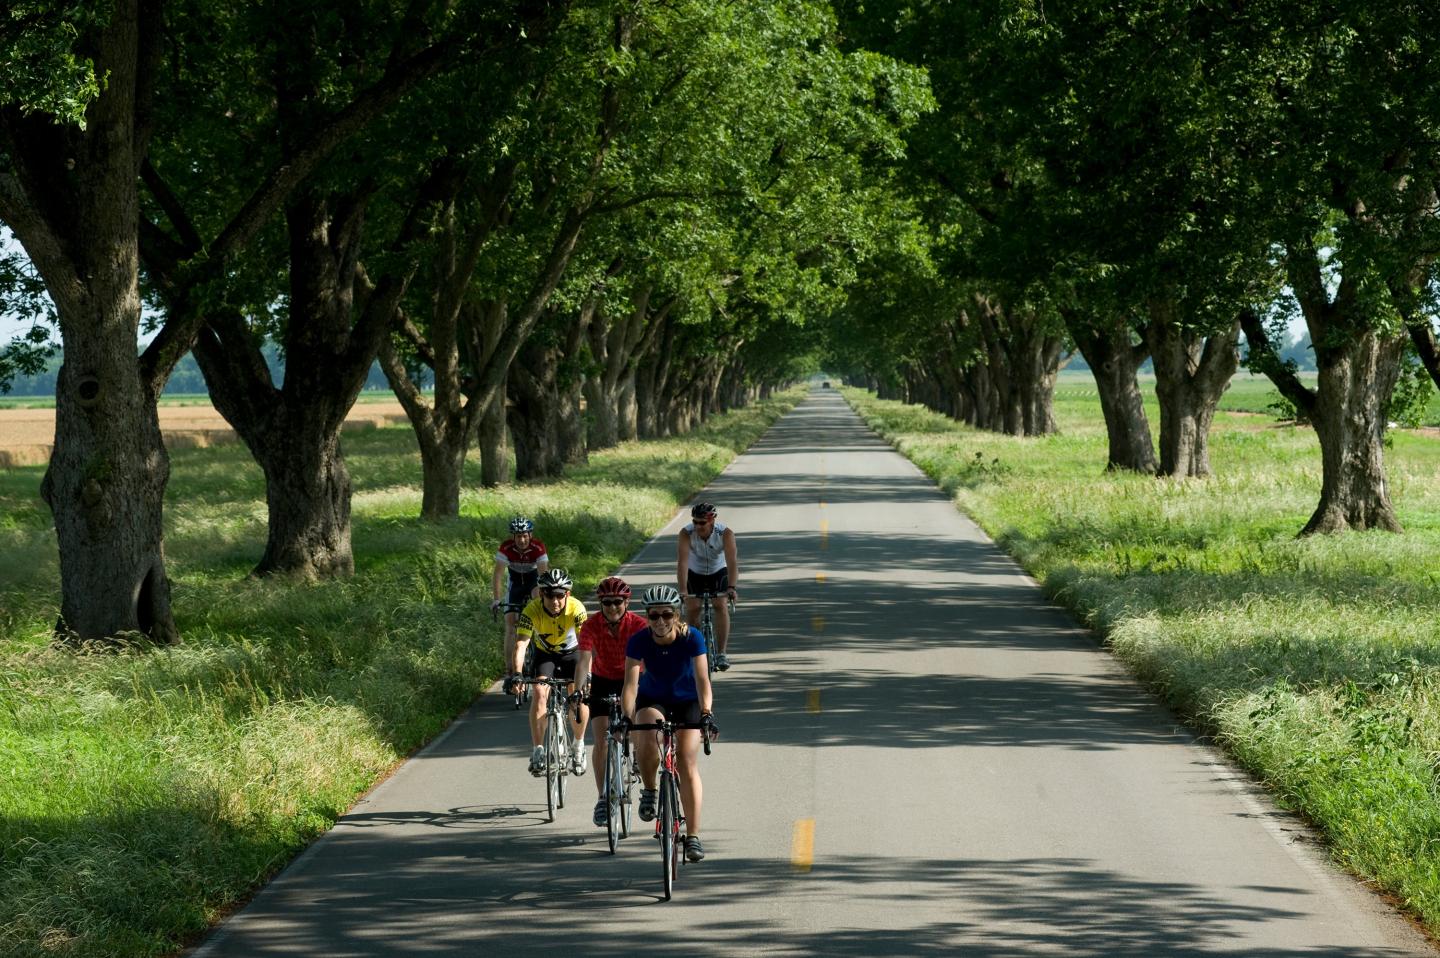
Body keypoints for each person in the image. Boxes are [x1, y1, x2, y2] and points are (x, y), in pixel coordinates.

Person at [618, 585, 716, 862]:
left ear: (676, 614)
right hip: (654, 699)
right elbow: (630, 685)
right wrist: (627, 716)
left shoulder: (692, 638)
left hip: (688, 701)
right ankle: (650, 790)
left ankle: (693, 836)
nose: (660, 621)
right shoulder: (639, 640)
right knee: (646, 729)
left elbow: (702, 679)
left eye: (666, 614)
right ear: (647, 617)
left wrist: (706, 712)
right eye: (653, 615)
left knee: (687, 762)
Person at [574, 575, 649, 827]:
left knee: (633, 728)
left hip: (634, 677)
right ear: (600, 604)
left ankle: (637, 755)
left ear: (626, 602)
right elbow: (584, 659)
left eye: (618, 601)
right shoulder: (591, 625)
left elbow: (647, 661)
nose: (613, 607)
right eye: (607, 603)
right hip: (604, 679)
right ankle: (603, 798)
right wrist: (579, 688)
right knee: (602, 739)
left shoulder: (639, 625)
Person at [516, 568, 589, 776]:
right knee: (539, 692)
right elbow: (521, 644)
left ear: (567, 594)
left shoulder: (577, 608)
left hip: (573, 655)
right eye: (549, 595)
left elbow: (586, 647)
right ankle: (538, 750)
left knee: (578, 696)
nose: (555, 600)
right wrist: (517, 674)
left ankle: (578, 746)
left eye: (560, 595)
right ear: (541, 594)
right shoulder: (531, 610)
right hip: (545, 655)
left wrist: (588, 674)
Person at [676, 501, 738, 671]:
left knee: (720, 605)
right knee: (693, 608)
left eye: (702, 523)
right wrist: (683, 590)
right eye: (695, 522)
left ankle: (721, 653)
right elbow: (682, 563)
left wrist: (732, 587)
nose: (697, 526)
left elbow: (732, 563)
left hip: (718, 571)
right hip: (694, 572)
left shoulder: (725, 534)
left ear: (712, 520)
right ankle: (694, 649)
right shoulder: (686, 533)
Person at [492, 516, 549, 694]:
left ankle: (541, 651)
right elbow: (498, 575)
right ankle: (510, 672)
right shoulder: (506, 548)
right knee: (510, 623)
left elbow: (543, 576)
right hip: (515, 584)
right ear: (513, 537)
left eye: (524, 535)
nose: (522, 540)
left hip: (533, 582)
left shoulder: (538, 547)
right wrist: (496, 598)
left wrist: (544, 600)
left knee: (537, 601)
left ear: (530, 535)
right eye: (518, 536)